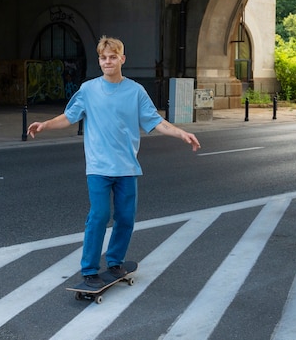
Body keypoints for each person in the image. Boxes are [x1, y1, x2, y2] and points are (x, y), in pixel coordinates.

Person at [27, 36, 201, 288]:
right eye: (103, 58)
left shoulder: (136, 91)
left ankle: (115, 261)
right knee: (99, 215)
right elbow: (69, 116)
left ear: (122, 59)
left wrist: (181, 133)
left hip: (127, 167)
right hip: (98, 166)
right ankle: (88, 269)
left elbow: (156, 122)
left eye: (112, 57)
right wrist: (45, 125)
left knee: (126, 217)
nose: (107, 61)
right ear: (99, 60)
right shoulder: (88, 89)